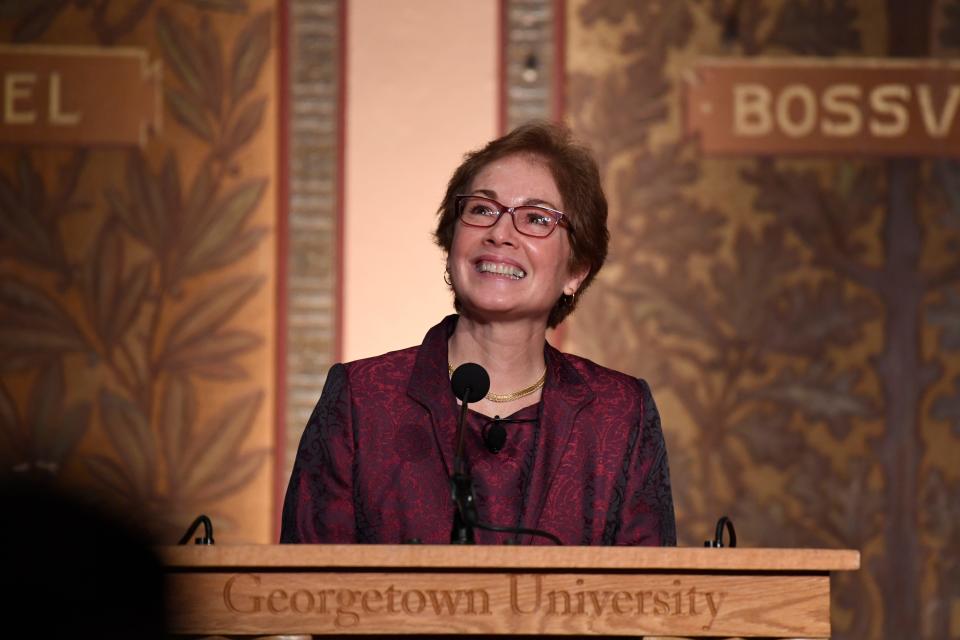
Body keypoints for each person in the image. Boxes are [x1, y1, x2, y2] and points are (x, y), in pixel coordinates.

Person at [281, 122, 676, 545]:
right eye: (482, 210)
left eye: (536, 218)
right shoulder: (362, 399)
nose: (500, 234)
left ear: (575, 271)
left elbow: (651, 601)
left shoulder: (620, 414)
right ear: (452, 243)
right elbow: (305, 591)